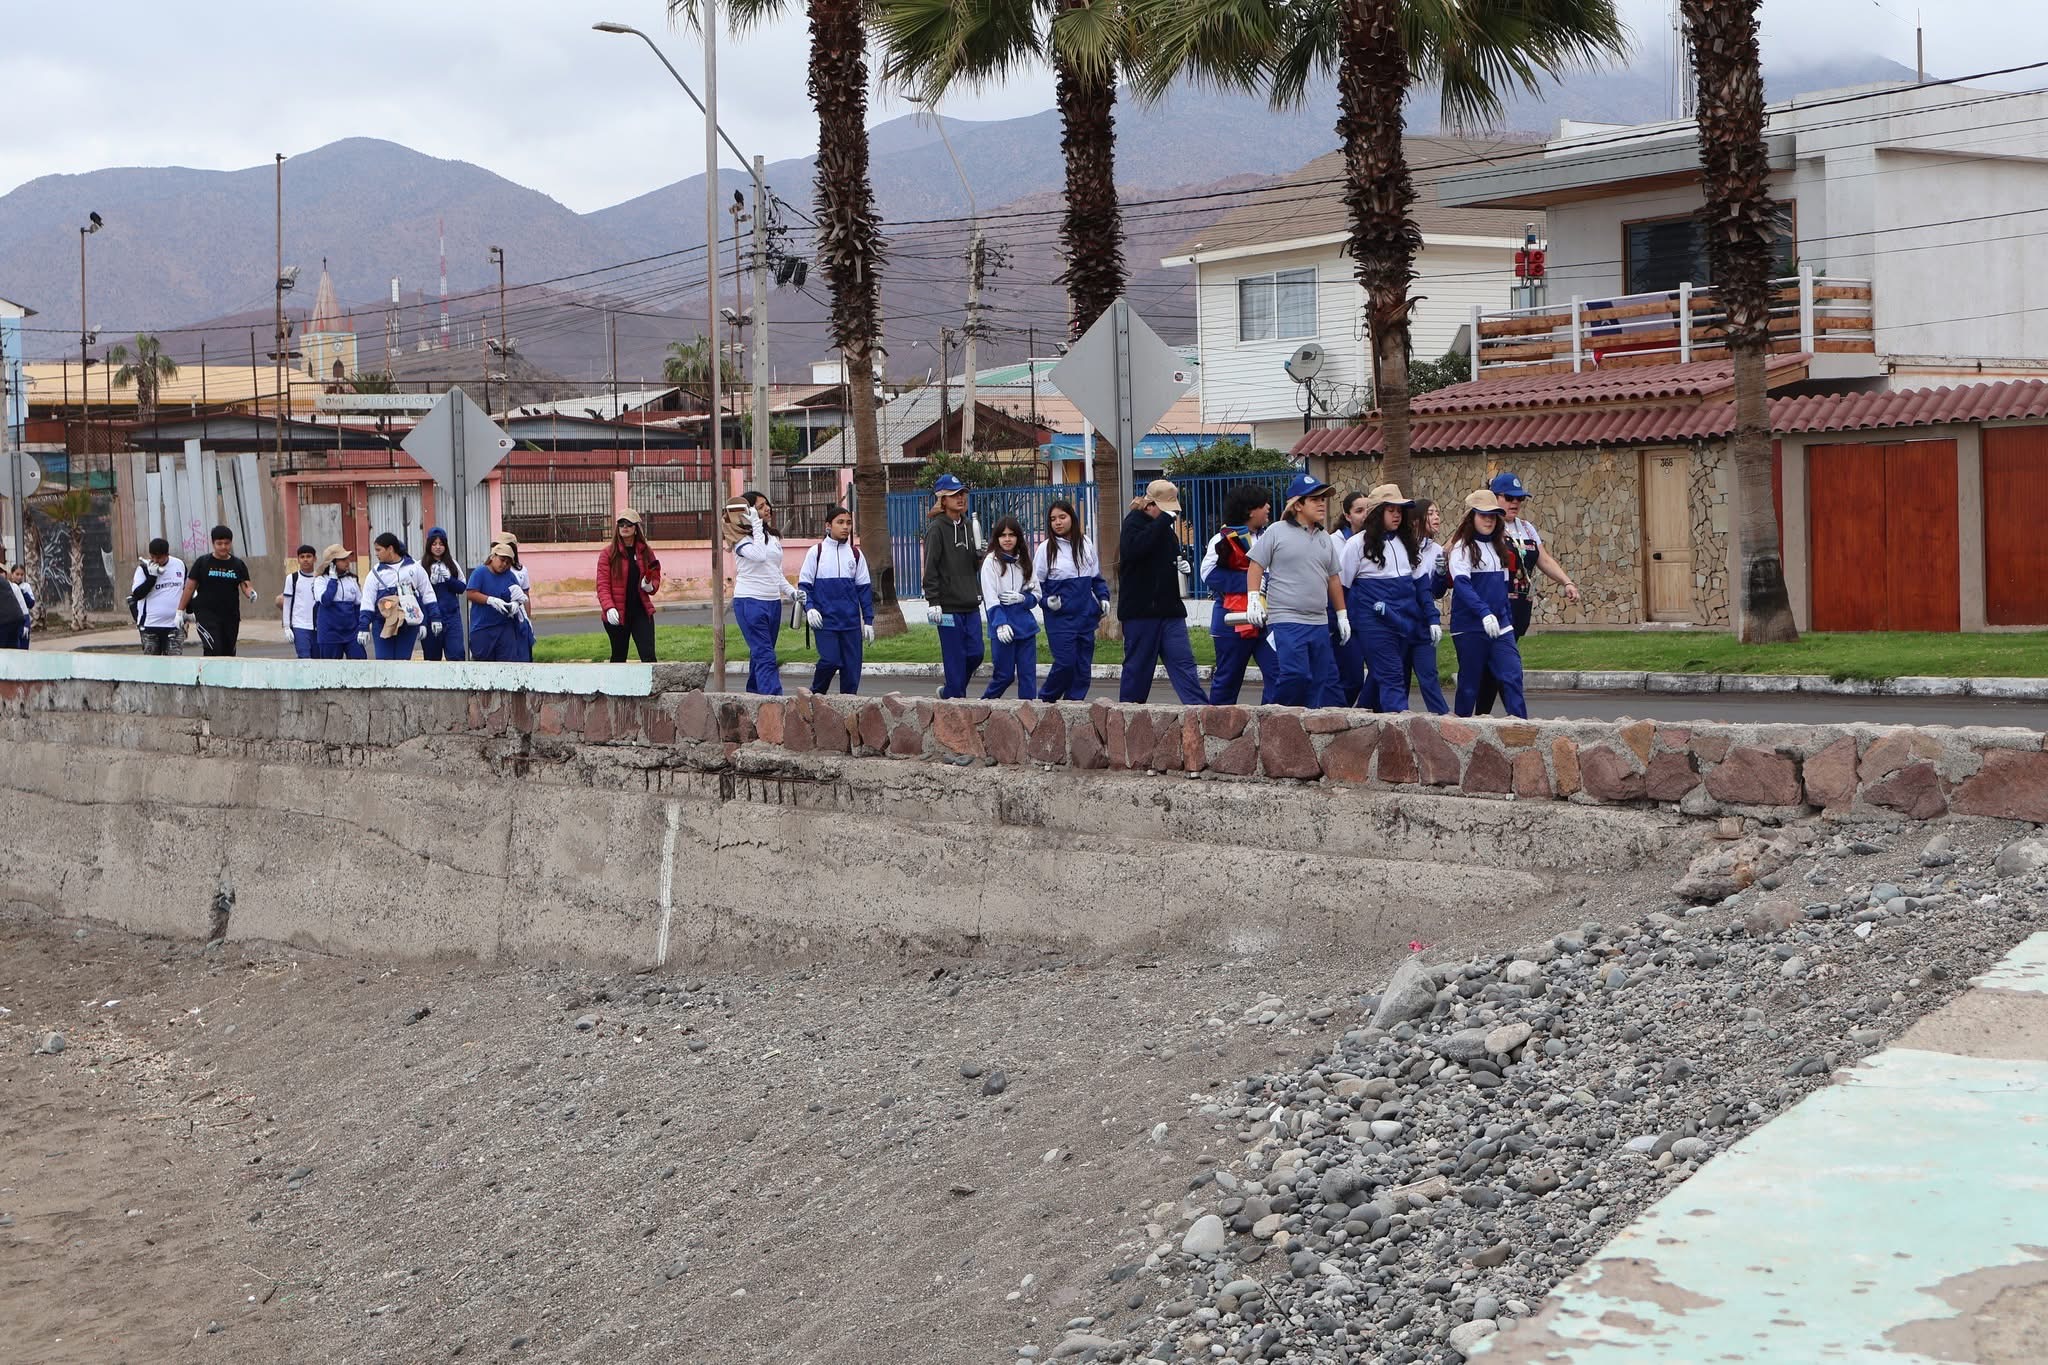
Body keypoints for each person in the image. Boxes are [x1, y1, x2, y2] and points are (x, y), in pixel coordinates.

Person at [1477, 471, 1580, 714]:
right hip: (1496, 604)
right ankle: (1515, 716)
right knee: (1504, 664)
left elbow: (1543, 559)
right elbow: (1458, 547)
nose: (1515, 503)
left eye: (1520, 499)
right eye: (1509, 497)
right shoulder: (1489, 525)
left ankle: (1481, 717)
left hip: (1521, 605)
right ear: (1495, 497)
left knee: (1495, 667)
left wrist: (1567, 582)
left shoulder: (1526, 528)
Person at [1246, 474, 1348, 708]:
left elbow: (1333, 578)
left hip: (1319, 621)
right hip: (1287, 619)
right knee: (1296, 674)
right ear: (1298, 505)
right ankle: (1276, 716)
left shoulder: (1324, 537)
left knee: (1319, 681)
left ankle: (1306, 728)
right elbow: (1256, 565)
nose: (1322, 503)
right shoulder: (1276, 531)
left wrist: (1342, 615)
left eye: (1323, 499)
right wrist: (1253, 598)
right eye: (1315, 499)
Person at [1338, 484, 1441, 714]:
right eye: (1390, 509)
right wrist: (1342, 620)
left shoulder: (1407, 542)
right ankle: (1401, 735)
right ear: (1376, 512)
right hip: (1373, 624)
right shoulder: (1356, 544)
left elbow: (1421, 585)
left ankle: (1355, 725)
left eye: (1400, 510)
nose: (1397, 514)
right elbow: (1341, 586)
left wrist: (1432, 618)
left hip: (1405, 621)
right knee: (1393, 676)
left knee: (1379, 680)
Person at [1117, 478, 1206, 705]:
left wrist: (1184, 566)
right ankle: (1129, 715)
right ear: (1150, 505)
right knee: (1138, 669)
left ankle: (1199, 710)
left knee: (1184, 663)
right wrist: (1161, 523)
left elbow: (1171, 557)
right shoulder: (1132, 524)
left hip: (1170, 610)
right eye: (1166, 510)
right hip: (1140, 613)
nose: (1170, 516)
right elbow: (1135, 549)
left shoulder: (1166, 532)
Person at [1448, 489, 1528, 719]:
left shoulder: (1499, 547)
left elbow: (1502, 588)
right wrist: (1483, 613)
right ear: (1471, 517)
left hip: (1500, 625)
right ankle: (1460, 730)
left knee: (1512, 675)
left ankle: (1522, 728)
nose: (1489, 520)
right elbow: (1462, 586)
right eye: (1483, 515)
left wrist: (1506, 619)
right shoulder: (1462, 548)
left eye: (1493, 515)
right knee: (1470, 684)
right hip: (1470, 626)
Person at [1200, 484, 1278, 705]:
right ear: (1249, 510)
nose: (1268, 508)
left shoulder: (1271, 536)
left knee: (1279, 674)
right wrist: (1251, 583)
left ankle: (1269, 724)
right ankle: (1218, 731)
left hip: (1266, 621)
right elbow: (1209, 574)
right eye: (1264, 504)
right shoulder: (1223, 538)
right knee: (1228, 680)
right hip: (1232, 621)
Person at [1032, 500, 1108, 703]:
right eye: (1053, 519)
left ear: (1072, 519)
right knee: (1066, 663)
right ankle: (1045, 700)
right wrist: (1047, 601)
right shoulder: (1045, 549)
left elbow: (1095, 577)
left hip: (1085, 616)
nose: (1057, 522)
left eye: (1062, 517)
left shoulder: (1086, 543)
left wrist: (1103, 597)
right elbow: (1035, 585)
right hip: (1060, 619)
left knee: (1083, 669)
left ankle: (1072, 707)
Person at [727, 490, 798, 695]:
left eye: (766, 504)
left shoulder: (772, 538)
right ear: (747, 513)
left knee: (760, 655)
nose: (766, 509)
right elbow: (758, 556)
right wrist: (756, 525)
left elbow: (775, 572)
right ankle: (774, 701)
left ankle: (754, 697)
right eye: (759, 507)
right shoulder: (740, 539)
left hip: (772, 602)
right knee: (766, 656)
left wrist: (792, 593)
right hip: (750, 602)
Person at [797, 505, 874, 694]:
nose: (845, 527)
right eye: (840, 522)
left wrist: (869, 621)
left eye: (848, 523)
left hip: (851, 623)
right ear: (828, 526)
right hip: (825, 621)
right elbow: (804, 586)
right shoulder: (817, 552)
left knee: (852, 669)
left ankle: (848, 706)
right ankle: (816, 694)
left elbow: (864, 590)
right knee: (830, 661)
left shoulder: (856, 554)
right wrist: (810, 608)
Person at [921, 473, 984, 699]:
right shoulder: (936, 529)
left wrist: (980, 556)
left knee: (976, 654)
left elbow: (973, 566)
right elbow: (930, 568)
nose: (960, 498)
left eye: (962, 493)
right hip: (947, 607)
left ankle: (950, 691)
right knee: (955, 659)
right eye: (954, 494)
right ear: (943, 499)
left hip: (970, 604)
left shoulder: (969, 526)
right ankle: (956, 701)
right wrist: (933, 601)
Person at [978, 515, 1040, 700]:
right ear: (996, 538)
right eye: (1003, 535)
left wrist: (1023, 598)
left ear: (1018, 537)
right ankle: (982, 708)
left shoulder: (1025, 560)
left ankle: (1029, 718)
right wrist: (1000, 624)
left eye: (1011, 535)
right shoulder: (991, 562)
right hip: (1003, 627)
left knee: (1028, 677)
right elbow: (990, 598)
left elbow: (1037, 593)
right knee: (1004, 676)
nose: (1007, 539)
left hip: (1025, 626)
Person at [178, 525, 255, 656]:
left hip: (230, 616)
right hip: (206, 615)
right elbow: (190, 587)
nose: (223, 547)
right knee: (214, 649)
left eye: (226, 543)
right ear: (213, 543)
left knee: (228, 653)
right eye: (219, 543)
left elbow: (246, 586)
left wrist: (251, 594)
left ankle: (226, 677)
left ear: (231, 543)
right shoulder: (203, 563)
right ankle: (208, 677)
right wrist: (180, 611)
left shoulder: (237, 564)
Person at [357, 531, 436, 660]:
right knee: (384, 662)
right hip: (383, 623)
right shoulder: (375, 573)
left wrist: (428, 620)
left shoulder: (414, 568)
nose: (376, 554)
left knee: (403, 662)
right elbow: (367, 602)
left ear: (390, 549)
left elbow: (427, 595)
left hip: (408, 624)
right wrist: (363, 627)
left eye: (378, 550)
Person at [1405, 499, 1452, 715]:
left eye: (1438, 513)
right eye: (1431, 513)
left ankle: (1445, 723)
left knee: (1428, 676)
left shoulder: (1437, 550)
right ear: (1416, 520)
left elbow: (1436, 592)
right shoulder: (1401, 546)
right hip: (1400, 621)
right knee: (1398, 679)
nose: (1437, 518)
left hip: (1424, 622)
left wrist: (1442, 574)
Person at [597, 509, 662, 663]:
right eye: (621, 524)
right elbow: (602, 585)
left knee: (648, 656)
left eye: (629, 524)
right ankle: (615, 688)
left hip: (641, 611)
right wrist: (609, 608)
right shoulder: (608, 553)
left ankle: (651, 687)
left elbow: (655, 574)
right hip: (617, 614)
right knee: (619, 657)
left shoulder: (645, 551)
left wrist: (650, 586)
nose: (624, 527)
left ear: (635, 528)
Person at [1328, 491, 1374, 707]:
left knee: (1379, 676)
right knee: (1351, 679)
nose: (1365, 515)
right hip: (1345, 620)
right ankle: (1335, 717)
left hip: (1370, 619)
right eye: (1359, 511)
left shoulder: (1376, 540)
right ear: (1347, 516)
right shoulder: (1334, 542)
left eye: (1368, 509)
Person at [465, 541, 527, 663]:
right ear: (493, 557)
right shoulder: (480, 572)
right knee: (483, 664)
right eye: (502, 560)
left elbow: (519, 595)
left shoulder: (509, 576)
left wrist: (515, 604)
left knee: (507, 664)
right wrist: (490, 600)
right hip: (483, 627)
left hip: (504, 628)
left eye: (508, 563)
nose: (504, 564)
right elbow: (470, 593)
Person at [419, 527, 469, 663]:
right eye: (434, 544)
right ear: (429, 545)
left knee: (456, 654)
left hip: (451, 617)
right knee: (431, 657)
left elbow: (462, 587)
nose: (438, 547)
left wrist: (449, 579)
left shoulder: (452, 564)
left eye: (441, 544)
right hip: (430, 617)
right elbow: (417, 592)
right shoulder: (420, 566)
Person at [129, 537, 186, 656]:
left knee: (174, 662)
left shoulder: (179, 564)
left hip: (173, 625)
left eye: (159, 557)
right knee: (152, 664)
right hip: (150, 624)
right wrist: (152, 577)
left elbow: (185, 588)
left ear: (167, 555)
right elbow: (137, 594)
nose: (155, 560)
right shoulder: (143, 569)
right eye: (152, 557)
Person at [313, 544, 366, 660]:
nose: (347, 562)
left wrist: (362, 627)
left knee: (360, 664)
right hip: (329, 634)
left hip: (351, 632)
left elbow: (358, 606)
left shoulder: (352, 579)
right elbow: (325, 600)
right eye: (342, 559)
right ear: (332, 563)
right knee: (330, 670)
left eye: (347, 558)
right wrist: (333, 580)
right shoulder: (320, 580)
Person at [276, 544, 321, 659]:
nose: (305, 559)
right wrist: (286, 626)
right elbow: (287, 603)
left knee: (318, 660)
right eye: (302, 557)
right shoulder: (292, 578)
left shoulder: (320, 578)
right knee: (304, 658)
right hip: (299, 626)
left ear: (315, 559)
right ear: (298, 560)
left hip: (318, 627)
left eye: (309, 556)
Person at [0, 561, 27, 650]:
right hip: (15, 619)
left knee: (3, 652)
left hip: (5, 622)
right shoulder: (5, 581)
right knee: (12, 651)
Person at [8, 563, 32, 649]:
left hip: (24, 619)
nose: (19, 577)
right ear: (11, 574)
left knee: (24, 646)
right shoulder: (8, 586)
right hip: (12, 621)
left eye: (21, 574)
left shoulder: (26, 587)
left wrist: (23, 593)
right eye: (17, 574)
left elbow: (31, 603)